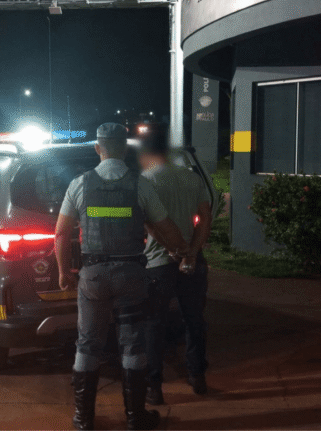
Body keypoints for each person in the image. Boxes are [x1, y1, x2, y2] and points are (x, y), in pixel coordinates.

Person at [55, 123, 191, 431]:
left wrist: (64, 272)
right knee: (132, 345)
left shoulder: (79, 184)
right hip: (131, 276)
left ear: (98, 148)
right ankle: (135, 417)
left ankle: (83, 419)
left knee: (88, 343)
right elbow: (164, 226)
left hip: (93, 277)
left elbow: (61, 233)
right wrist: (182, 250)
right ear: (125, 149)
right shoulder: (140, 185)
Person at [138, 129, 213, 406]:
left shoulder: (146, 180)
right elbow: (205, 218)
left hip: (158, 263)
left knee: (154, 325)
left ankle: (154, 388)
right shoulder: (191, 178)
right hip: (192, 261)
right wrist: (191, 251)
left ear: (147, 153)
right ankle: (198, 377)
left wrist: (172, 248)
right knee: (194, 320)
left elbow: (148, 223)